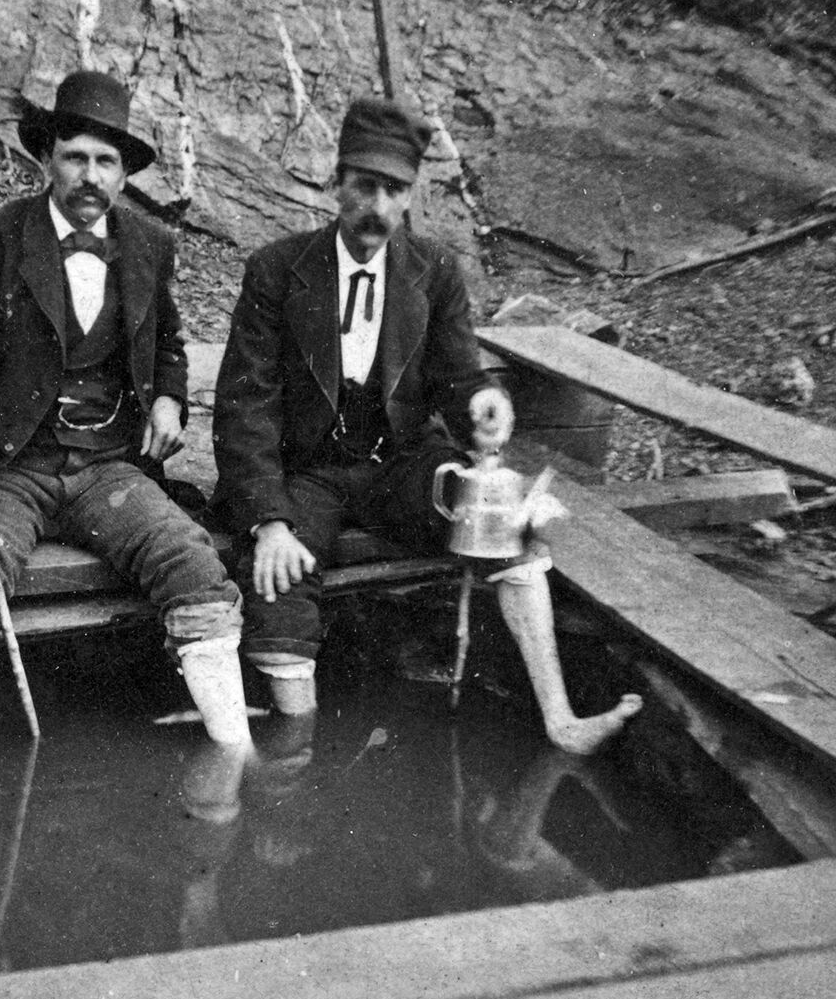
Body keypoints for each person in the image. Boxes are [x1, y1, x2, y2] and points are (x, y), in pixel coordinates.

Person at [212, 95, 642, 757]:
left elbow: (458, 377)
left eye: (396, 191)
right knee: (278, 579)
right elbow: (246, 407)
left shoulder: (433, 271)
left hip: (400, 462)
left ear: (410, 195)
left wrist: (483, 408)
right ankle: (295, 759)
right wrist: (268, 521)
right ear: (337, 183)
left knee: (501, 518)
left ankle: (561, 721)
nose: (379, 209)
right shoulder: (277, 270)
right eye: (366, 186)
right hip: (308, 472)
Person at [0, 69, 250, 768]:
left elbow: (171, 341)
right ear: (46, 159)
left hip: (107, 469)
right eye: (75, 157)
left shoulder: (149, 246)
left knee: (193, 563)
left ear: (124, 175)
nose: (90, 176)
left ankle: (238, 766)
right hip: (10, 464)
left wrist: (166, 399)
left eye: (106, 161)